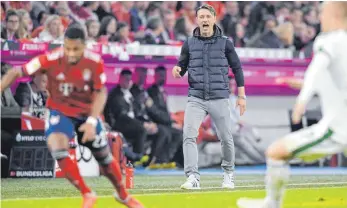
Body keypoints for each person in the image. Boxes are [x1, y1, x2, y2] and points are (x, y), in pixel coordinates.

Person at [0, 24, 143, 208]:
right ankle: (87, 193)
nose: (71, 53)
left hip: (86, 113)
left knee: (104, 157)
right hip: (61, 112)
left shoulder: (94, 62)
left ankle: (123, 195)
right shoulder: (50, 58)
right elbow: (16, 71)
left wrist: (92, 121)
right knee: (56, 146)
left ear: (84, 46)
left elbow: (100, 93)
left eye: (76, 49)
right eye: (67, 48)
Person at [237, 2, 347, 208]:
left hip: (337, 128)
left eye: (323, 12)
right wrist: (301, 84)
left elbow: (317, 68)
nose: (321, 17)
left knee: (276, 152)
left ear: (333, 13)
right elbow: (333, 83)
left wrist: (302, 100)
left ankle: (271, 203)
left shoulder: (329, 40)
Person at [172, 4, 246, 190]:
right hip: (196, 97)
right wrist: (177, 70)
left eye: (207, 16)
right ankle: (192, 177)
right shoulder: (189, 43)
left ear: (214, 19)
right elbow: (182, 66)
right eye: (201, 16)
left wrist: (241, 95)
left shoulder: (225, 42)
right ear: (197, 20)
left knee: (226, 137)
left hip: (219, 97)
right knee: (188, 135)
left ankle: (228, 174)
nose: (204, 20)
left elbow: (237, 68)